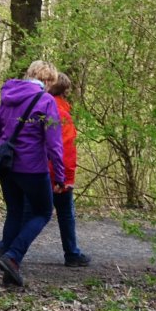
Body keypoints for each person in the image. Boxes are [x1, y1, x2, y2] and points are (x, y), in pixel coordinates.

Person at [0, 61, 66, 289]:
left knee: (14, 211)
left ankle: (7, 258)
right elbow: (54, 142)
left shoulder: (8, 96)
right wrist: (60, 175)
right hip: (32, 167)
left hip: (7, 166)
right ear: (48, 80)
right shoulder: (45, 100)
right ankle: (12, 256)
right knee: (42, 212)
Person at [46, 72, 90, 267]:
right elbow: (66, 150)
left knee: (28, 212)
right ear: (65, 91)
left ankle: (8, 249)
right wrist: (66, 178)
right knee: (65, 213)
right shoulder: (62, 114)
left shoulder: (41, 107)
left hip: (35, 170)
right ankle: (71, 253)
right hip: (57, 173)